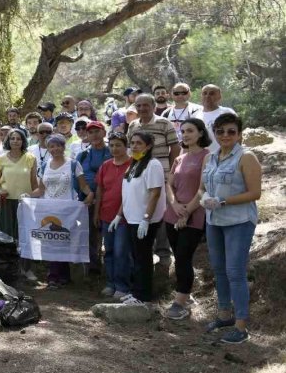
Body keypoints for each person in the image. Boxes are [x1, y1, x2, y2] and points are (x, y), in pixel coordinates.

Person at [193, 113, 261, 344]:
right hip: (214, 221)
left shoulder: (246, 157)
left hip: (239, 221)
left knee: (235, 271)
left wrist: (223, 202)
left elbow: (255, 193)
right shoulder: (209, 158)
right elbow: (201, 188)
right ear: (215, 133)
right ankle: (224, 316)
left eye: (231, 131)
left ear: (239, 134)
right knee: (219, 269)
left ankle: (241, 327)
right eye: (220, 131)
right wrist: (204, 199)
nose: (225, 135)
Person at [110, 131, 167, 305]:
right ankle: (136, 292)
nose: (134, 146)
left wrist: (146, 219)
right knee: (136, 256)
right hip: (131, 219)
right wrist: (119, 215)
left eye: (139, 143)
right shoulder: (134, 164)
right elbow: (127, 194)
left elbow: (155, 193)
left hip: (144, 220)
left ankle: (143, 296)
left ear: (148, 146)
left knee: (143, 258)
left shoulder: (153, 164)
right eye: (132, 143)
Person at [162, 118, 211, 320]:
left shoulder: (207, 157)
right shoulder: (179, 158)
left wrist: (187, 212)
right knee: (179, 257)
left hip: (195, 213)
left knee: (183, 255)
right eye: (183, 131)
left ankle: (180, 303)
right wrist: (174, 205)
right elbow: (169, 186)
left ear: (200, 133)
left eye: (190, 130)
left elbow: (203, 188)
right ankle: (186, 295)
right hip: (172, 213)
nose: (185, 134)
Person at [31, 134, 93, 288]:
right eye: (51, 146)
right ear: (48, 148)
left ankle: (62, 276)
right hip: (49, 210)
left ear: (63, 147)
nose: (55, 149)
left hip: (68, 210)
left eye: (58, 145)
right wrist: (27, 196)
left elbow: (83, 186)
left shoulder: (73, 164)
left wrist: (91, 193)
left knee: (64, 241)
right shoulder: (44, 165)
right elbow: (40, 189)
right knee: (53, 242)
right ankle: (54, 277)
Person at [126, 93, 181, 269]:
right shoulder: (133, 125)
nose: (142, 109)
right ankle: (145, 252)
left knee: (161, 214)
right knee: (144, 212)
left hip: (162, 175)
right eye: (138, 106)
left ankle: (164, 253)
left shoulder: (164, 124)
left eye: (145, 105)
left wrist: (171, 172)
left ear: (153, 106)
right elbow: (131, 150)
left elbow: (175, 147)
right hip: (140, 177)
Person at [0, 128, 38, 281]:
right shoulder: (1, 159)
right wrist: (0, 190)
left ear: (23, 141)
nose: (15, 141)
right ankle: (9, 270)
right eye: (12, 138)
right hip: (7, 202)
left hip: (25, 203)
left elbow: (35, 184)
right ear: (8, 140)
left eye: (18, 138)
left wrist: (32, 197)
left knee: (25, 236)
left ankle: (26, 269)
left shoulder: (30, 158)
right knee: (7, 236)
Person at [94, 132, 133, 300]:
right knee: (108, 251)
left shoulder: (133, 164)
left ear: (126, 146)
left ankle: (122, 286)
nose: (115, 148)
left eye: (118, 145)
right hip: (106, 214)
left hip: (125, 216)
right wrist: (96, 212)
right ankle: (111, 283)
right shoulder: (106, 165)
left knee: (121, 251)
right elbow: (100, 190)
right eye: (112, 145)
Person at [77, 121, 112, 274]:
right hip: (88, 199)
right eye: (90, 132)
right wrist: (86, 195)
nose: (94, 135)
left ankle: (111, 269)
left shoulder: (113, 151)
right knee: (90, 234)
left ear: (104, 133)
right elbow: (76, 178)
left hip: (110, 200)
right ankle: (93, 269)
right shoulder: (83, 155)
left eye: (97, 131)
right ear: (87, 136)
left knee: (109, 235)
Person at [197, 84, 237, 153]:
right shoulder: (195, 115)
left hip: (224, 156)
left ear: (219, 97)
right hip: (201, 158)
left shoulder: (227, 112)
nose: (207, 96)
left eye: (212, 93)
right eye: (204, 93)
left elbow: (237, 134)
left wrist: (234, 155)